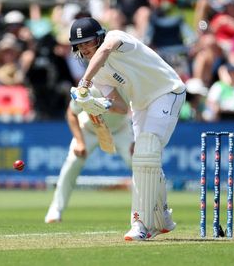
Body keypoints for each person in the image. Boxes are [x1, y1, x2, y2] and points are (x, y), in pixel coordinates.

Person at [68, 17, 186, 241]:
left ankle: (141, 224)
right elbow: (121, 107)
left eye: (89, 42)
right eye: (80, 45)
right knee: (143, 160)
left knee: (146, 151)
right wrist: (101, 105)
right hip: (140, 104)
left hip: (168, 91)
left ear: (100, 37)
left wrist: (84, 84)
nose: (85, 49)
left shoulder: (116, 38)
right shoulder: (98, 74)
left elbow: (104, 52)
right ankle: (163, 217)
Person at [44, 87, 134, 223]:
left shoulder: (125, 84)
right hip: (89, 131)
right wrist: (80, 142)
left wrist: (136, 139)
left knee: (139, 164)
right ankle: (55, 210)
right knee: (73, 162)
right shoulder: (87, 88)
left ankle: (151, 211)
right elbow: (71, 114)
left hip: (120, 131)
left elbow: (139, 111)